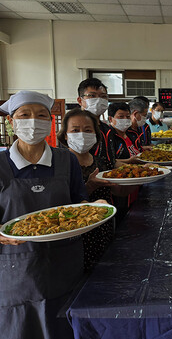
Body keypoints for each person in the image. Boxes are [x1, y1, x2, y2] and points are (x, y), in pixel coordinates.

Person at [0, 91, 92, 339]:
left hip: (64, 266)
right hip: (14, 270)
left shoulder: (66, 161)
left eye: (41, 115)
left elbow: (80, 205)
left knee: (65, 327)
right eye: (25, 115)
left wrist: (94, 207)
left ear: (50, 122)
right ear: (12, 122)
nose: (33, 121)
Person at [57, 108, 114, 272]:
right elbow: (60, 204)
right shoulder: (59, 165)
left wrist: (130, 181)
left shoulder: (101, 162)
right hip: (75, 235)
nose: (82, 134)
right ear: (66, 135)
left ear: (95, 134)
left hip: (103, 230)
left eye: (88, 130)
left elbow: (116, 194)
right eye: (75, 130)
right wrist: (89, 186)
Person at [77, 78, 115, 171]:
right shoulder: (75, 129)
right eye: (92, 96)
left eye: (103, 96)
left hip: (108, 180)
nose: (98, 100)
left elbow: (109, 162)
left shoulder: (107, 129)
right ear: (80, 100)